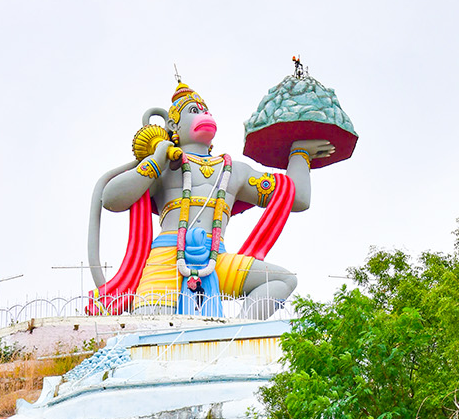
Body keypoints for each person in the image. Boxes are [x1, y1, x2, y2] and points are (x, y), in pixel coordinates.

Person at [98, 78, 334, 314]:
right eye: (194, 110)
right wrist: (158, 157)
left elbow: (295, 198)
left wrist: (299, 154)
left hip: (216, 258)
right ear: (173, 125)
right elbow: (110, 198)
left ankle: (237, 334)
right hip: (167, 259)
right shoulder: (164, 167)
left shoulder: (234, 170)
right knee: (152, 325)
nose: (204, 115)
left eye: (206, 110)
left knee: (283, 280)